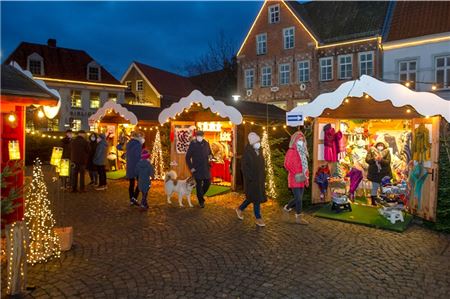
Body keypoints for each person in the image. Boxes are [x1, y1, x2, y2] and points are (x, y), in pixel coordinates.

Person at [235, 132, 267, 227]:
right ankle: (258, 218)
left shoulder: (259, 151)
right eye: (257, 141)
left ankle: (240, 209)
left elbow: (262, 165)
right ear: (252, 143)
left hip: (259, 179)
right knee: (256, 198)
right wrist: (251, 178)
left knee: (251, 198)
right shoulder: (247, 153)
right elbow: (244, 168)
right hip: (251, 181)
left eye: (259, 141)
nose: (259, 143)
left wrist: (263, 176)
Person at [283, 131, 309, 225]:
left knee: (299, 198)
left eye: (302, 140)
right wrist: (296, 173)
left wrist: (306, 177)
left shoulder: (302, 152)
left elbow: (305, 166)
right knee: (298, 198)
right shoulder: (291, 151)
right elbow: (286, 164)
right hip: (294, 177)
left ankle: (287, 209)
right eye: (299, 140)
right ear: (295, 140)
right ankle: (298, 216)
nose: (301, 141)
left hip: (301, 177)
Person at [186, 130, 212, 208]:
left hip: (205, 168)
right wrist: (191, 167)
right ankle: (201, 201)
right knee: (199, 186)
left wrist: (211, 156)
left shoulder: (206, 143)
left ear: (203, 136)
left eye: (201, 136)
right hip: (196, 169)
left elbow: (210, 153)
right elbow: (187, 157)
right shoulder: (193, 144)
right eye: (198, 136)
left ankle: (200, 196)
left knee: (208, 183)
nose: (199, 137)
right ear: (196, 136)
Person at [366, 141, 392, 205]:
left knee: (384, 188)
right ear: (376, 145)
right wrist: (374, 159)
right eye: (379, 145)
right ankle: (373, 202)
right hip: (375, 173)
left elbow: (388, 162)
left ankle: (383, 201)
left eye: (381, 145)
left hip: (384, 173)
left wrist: (381, 160)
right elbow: (367, 160)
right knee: (375, 187)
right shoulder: (371, 151)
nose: (380, 146)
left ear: (384, 146)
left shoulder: (387, 151)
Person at [126, 131, 144, 206]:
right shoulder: (138, 145)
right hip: (137, 166)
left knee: (131, 183)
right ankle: (134, 198)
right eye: (143, 137)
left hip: (130, 166)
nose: (143, 138)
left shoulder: (129, 143)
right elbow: (138, 157)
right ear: (139, 137)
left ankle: (131, 199)